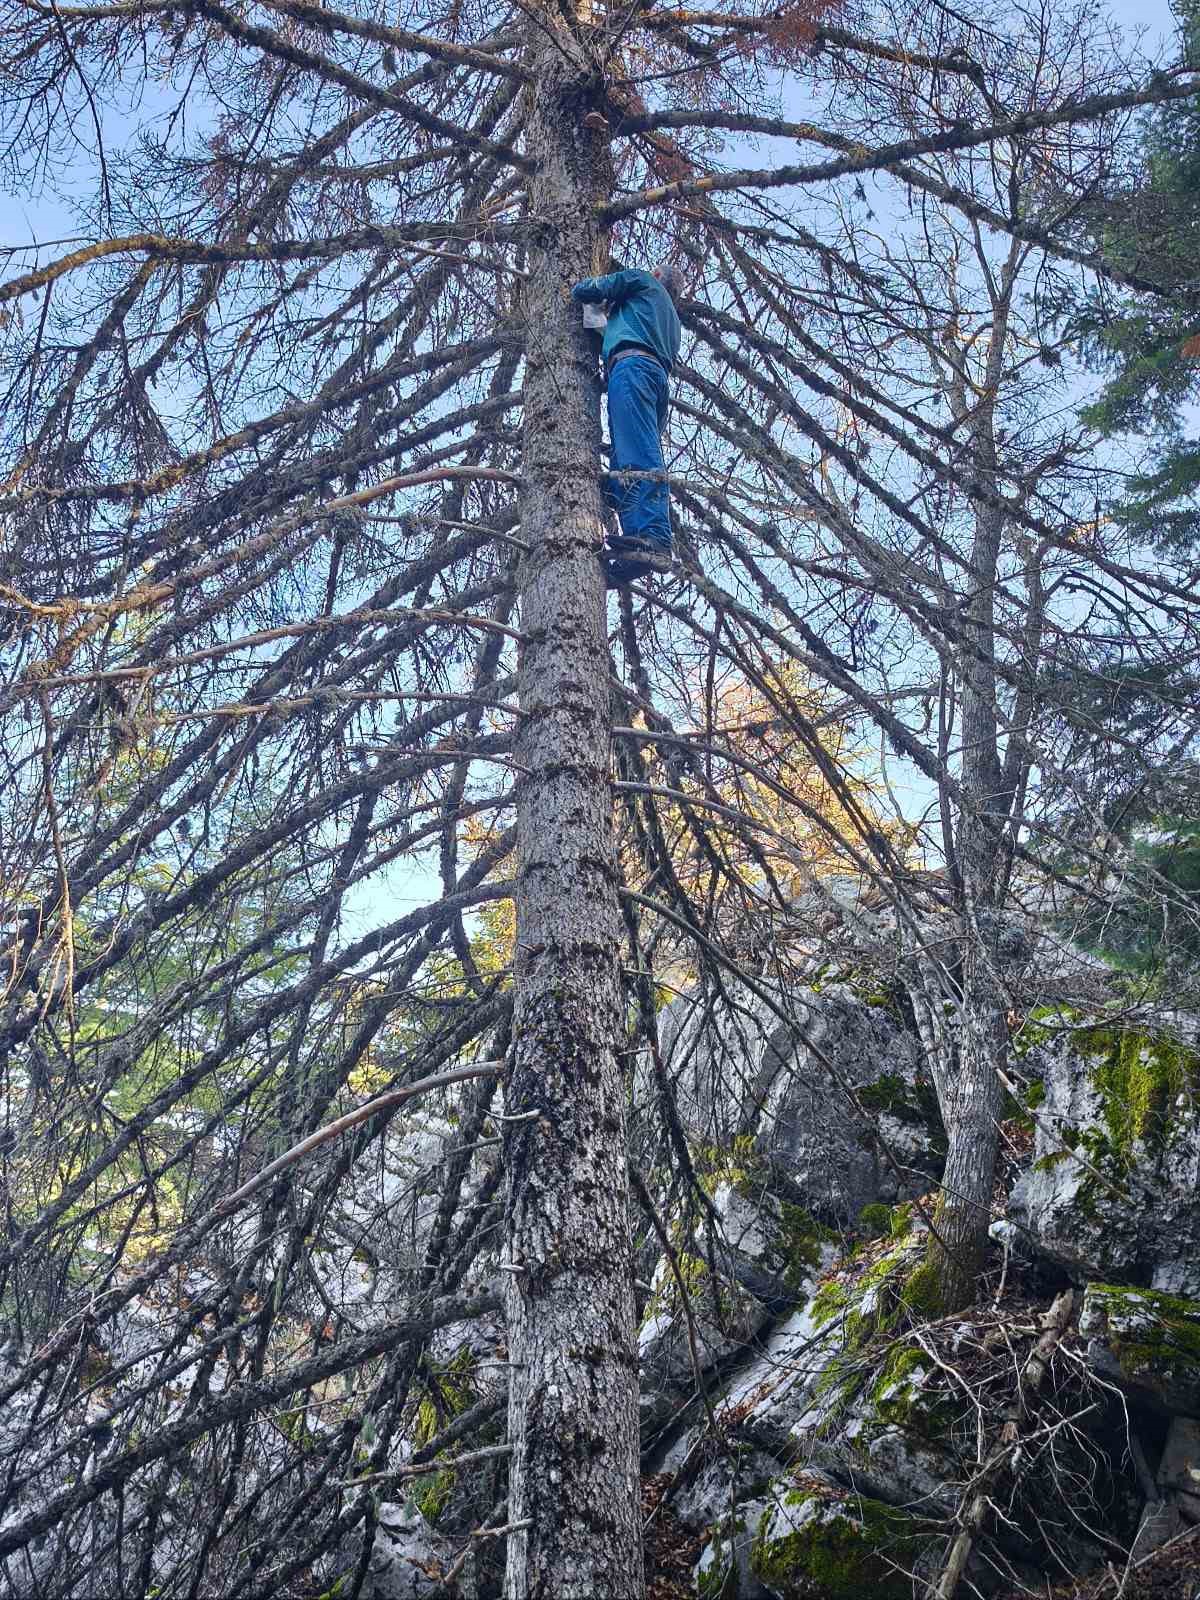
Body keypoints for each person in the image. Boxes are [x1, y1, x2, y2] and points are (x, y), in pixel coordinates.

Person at [570, 262, 682, 585]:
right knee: (625, 463)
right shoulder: (666, 319)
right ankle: (637, 546)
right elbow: (604, 330)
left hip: (631, 369)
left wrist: (588, 289)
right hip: (652, 377)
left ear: (659, 277)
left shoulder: (643, 282)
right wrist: (597, 313)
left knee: (637, 459)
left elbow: (585, 289)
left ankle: (655, 539)